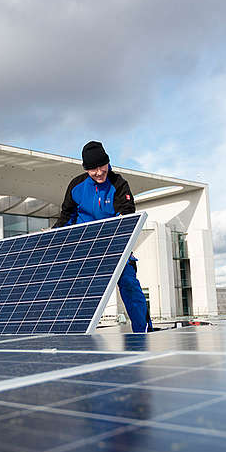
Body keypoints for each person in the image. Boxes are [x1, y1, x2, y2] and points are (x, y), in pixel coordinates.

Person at [54, 140, 154, 332]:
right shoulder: (76, 186)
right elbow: (66, 217)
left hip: (115, 246)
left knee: (128, 283)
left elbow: (127, 214)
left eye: (102, 166)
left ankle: (142, 331)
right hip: (83, 248)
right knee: (73, 288)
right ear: (86, 169)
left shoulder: (118, 183)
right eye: (93, 169)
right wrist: (53, 236)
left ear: (108, 162)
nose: (99, 172)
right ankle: (75, 332)